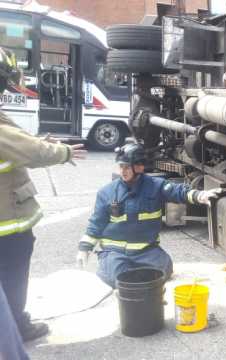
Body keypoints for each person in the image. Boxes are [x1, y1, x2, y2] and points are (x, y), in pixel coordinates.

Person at [0, 47, 86, 344]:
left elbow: (19, 142)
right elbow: (28, 150)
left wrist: (39, 141)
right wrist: (62, 152)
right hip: (7, 221)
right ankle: (15, 327)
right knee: (12, 274)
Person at [76, 143, 216, 288]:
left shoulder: (155, 186)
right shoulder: (107, 192)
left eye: (127, 167)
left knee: (164, 269)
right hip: (115, 253)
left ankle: (135, 271)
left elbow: (177, 191)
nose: (123, 171)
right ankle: (117, 268)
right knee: (118, 278)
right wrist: (84, 248)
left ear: (139, 167)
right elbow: (96, 223)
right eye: (121, 166)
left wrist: (199, 195)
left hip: (146, 251)